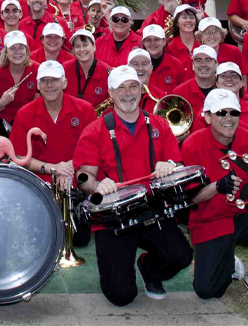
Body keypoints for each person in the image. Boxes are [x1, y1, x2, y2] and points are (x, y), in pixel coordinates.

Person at [75, 66, 192, 306]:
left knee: (182, 256)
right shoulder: (94, 130)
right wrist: (98, 184)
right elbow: (83, 178)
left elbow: (178, 166)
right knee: (121, 296)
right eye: (121, 88)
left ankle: (148, 266)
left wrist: (169, 167)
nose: (128, 93)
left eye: (133, 86)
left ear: (142, 90)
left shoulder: (160, 124)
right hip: (113, 217)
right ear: (110, 92)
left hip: (152, 210)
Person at [183, 89, 248, 304]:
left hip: (246, 213)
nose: (228, 118)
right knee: (207, 290)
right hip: (211, 219)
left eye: (234, 113)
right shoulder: (192, 145)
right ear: (207, 116)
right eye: (221, 113)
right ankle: (229, 260)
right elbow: (191, 199)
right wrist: (217, 187)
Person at [11, 60, 97, 246]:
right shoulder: (24, 114)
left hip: (73, 182)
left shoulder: (85, 109)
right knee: (39, 240)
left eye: (54, 80)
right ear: (38, 85)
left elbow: (92, 151)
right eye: (44, 80)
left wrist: (67, 169)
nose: (49, 85)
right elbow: (19, 157)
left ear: (64, 83)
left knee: (80, 240)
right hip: (38, 185)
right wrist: (54, 169)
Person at [0, 31, 40, 133]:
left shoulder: (37, 69)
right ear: (6, 53)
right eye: (13, 48)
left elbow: (39, 105)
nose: (17, 52)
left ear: (26, 51)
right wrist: (1, 104)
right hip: (0, 124)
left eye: (21, 48)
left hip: (27, 121)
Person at [172, 45, 220, 142]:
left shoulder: (225, 89)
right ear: (193, 65)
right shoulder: (179, 92)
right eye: (198, 60)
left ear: (216, 65)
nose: (203, 64)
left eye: (208, 60)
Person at [64, 29, 112, 110]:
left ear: (94, 47)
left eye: (85, 45)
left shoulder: (108, 71)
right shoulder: (65, 69)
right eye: (77, 46)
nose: (81, 49)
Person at [214, 62, 248, 132]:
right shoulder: (208, 112)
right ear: (217, 83)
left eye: (234, 76)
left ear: (242, 82)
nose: (229, 79)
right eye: (223, 76)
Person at [141, 24, 191, 96]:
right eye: (148, 40)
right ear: (144, 43)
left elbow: (184, 93)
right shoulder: (137, 65)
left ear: (164, 41)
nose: (152, 43)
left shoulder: (176, 65)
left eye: (157, 39)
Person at [165, 4, 202, 71]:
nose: (189, 20)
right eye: (184, 17)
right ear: (177, 23)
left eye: (191, 17)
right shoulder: (170, 48)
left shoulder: (202, 44)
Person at [126, 49, 160, 114]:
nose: (140, 68)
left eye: (144, 64)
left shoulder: (161, 97)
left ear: (151, 69)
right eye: (135, 64)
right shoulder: (117, 96)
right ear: (128, 69)